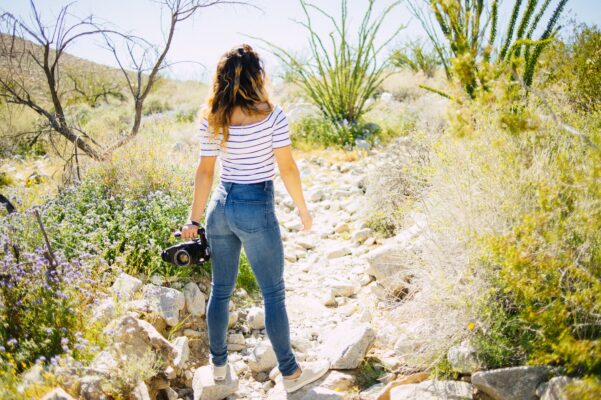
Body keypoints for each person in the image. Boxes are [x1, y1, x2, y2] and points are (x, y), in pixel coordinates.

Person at [181, 44, 330, 394]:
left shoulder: (212, 117)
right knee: (273, 294)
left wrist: (193, 218)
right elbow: (288, 168)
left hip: (221, 205)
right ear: (256, 76)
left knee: (221, 291)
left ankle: (219, 370)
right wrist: (303, 208)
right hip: (255, 205)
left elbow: (205, 172)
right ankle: (291, 375)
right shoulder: (273, 115)